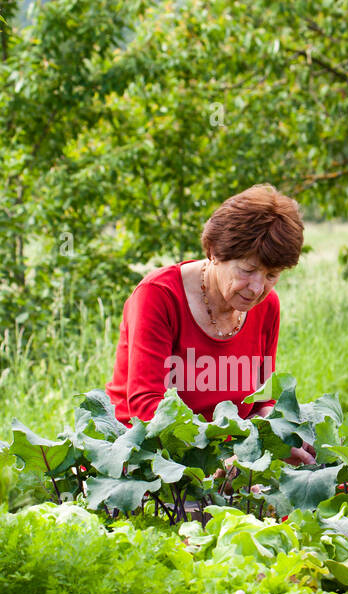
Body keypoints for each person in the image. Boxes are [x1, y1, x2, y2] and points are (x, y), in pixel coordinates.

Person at [106, 183, 315, 465]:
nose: (257, 288)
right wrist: (231, 451)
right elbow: (146, 409)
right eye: (248, 270)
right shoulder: (159, 296)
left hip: (232, 459)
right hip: (147, 457)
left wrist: (280, 435)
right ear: (215, 252)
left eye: (271, 275)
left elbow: (263, 399)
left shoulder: (267, 307)